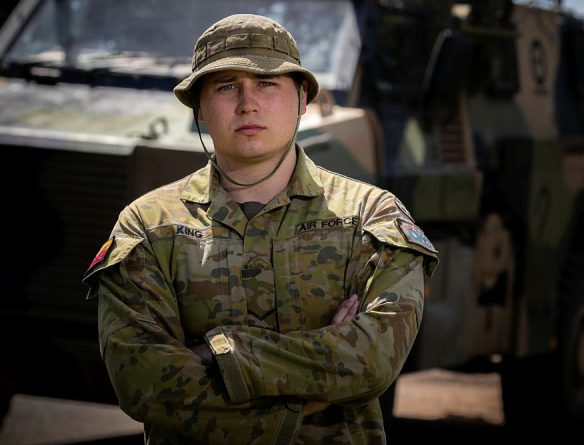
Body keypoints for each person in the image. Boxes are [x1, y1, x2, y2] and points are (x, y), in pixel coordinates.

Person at [83, 13, 437, 445]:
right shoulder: (149, 225)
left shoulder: (369, 217)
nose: (247, 103)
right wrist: (315, 386)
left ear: (302, 98)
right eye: (226, 86)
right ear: (199, 106)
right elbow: (143, 382)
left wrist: (221, 355)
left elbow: (373, 362)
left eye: (267, 83)